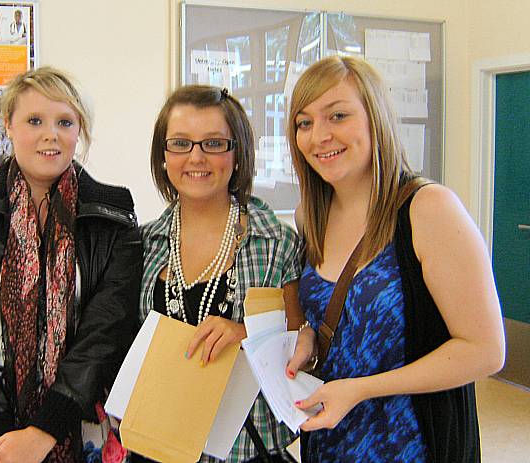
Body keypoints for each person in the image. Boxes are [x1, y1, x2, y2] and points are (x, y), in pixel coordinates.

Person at [284, 55, 505, 462]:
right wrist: (309, 336)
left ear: (375, 118)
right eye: (305, 122)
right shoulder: (309, 216)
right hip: (330, 442)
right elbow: (336, 317)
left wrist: (363, 387)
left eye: (338, 115)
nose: (320, 136)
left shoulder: (427, 208)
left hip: (411, 444)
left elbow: (485, 350)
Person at [0, 67, 142, 463]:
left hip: (80, 420)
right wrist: (0, 436)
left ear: (79, 130)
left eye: (65, 121)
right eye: (34, 121)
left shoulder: (113, 218)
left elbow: (106, 333)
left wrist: (44, 431)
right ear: (8, 126)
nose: (51, 134)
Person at [137, 85, 304, 462]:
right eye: (180, 143)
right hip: (158, 446)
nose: (196, 157)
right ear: (163, 156)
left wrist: (246, 334)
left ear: (237, 154)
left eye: (213, 143)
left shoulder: (276, 242)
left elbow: (302, 349)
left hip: (246, 451)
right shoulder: (144, 243)